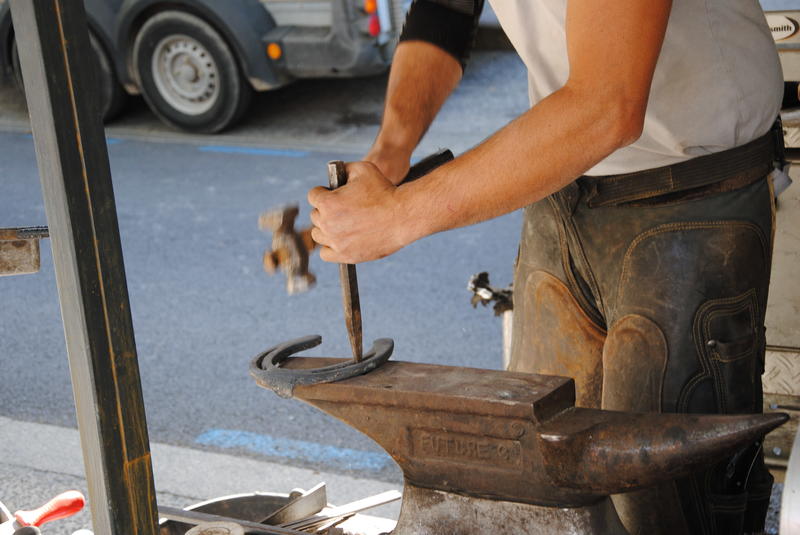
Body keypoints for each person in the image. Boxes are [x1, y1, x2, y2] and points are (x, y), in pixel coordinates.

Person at [307, 1, 784, 533]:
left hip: (690, 189)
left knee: (668, 502)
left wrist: (399, 217)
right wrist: (391, 153)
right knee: (539, 470)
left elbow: (608, 105)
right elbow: (445, 9)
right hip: (563, 185)